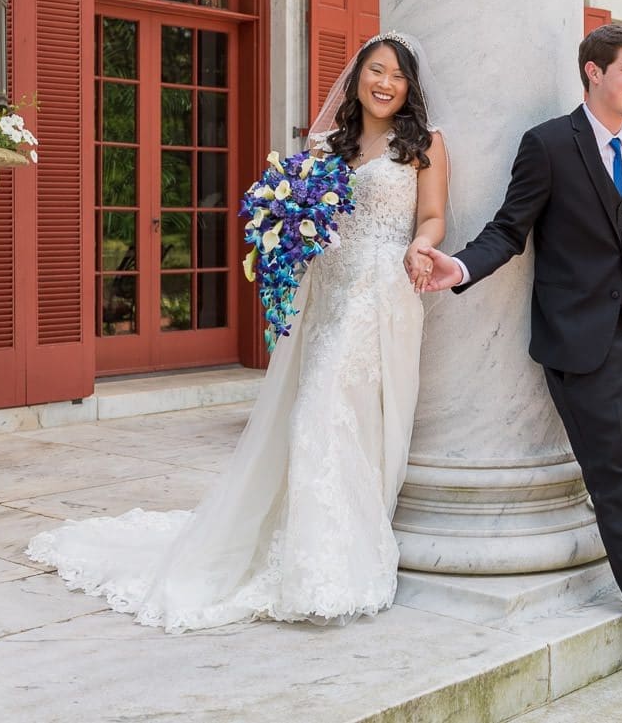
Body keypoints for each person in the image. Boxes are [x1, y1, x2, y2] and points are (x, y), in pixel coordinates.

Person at [27, 32, 449, 631]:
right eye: (375, 71)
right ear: (358, 78)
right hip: (327, 290)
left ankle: (340, 555)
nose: (385, 83)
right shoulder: (329, 144)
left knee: (359, 416)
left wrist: (422, 246)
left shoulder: (425, 146)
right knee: (313, 412)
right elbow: (310, 214)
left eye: (397, 76)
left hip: (384, 289)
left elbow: (431, 215)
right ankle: (312, 561)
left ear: (410, 86)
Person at [419, 23, 622, 692]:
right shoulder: (548, 145)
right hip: (580, 348)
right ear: (593, 73)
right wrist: (457, 266)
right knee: (611, 480)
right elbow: (509, 231)